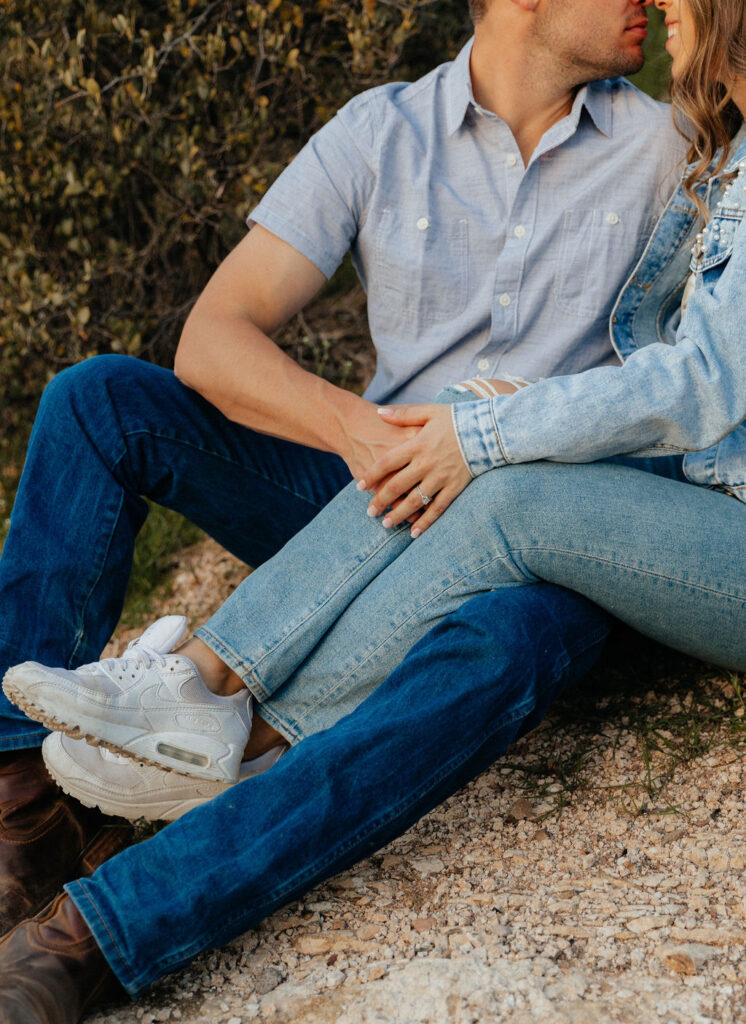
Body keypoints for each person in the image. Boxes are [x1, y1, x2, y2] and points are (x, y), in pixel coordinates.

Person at [9, 0, 746, 1017]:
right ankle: (24, 810)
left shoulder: (675, 145)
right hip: (366, 490)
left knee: (504, 630)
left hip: (543, 531)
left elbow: (694, 375)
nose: (649, 1)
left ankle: (100, 926)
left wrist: (493, 437)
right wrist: (355, 431)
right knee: (95, 398)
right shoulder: (377, 130)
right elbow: (213, 339)